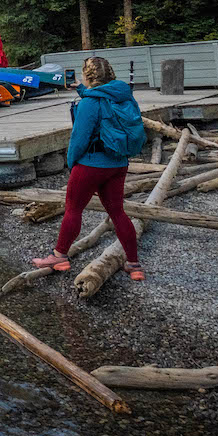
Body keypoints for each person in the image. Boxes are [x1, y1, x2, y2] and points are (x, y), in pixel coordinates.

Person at [31, 56, 147, 281]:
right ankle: (134, 265)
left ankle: (59, 256)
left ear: (88, 75)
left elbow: (79, 138)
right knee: (117, 212)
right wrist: (82, 90)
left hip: (91, 163)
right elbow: (100, 99)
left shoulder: (89, 103)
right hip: (119, 162)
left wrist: (72, 162)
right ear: (110, 75)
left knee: (73, 209)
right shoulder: (124, 96)